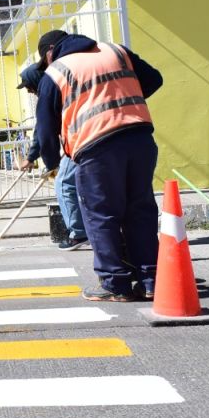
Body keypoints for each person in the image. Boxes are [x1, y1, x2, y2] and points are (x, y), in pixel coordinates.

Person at [34, 29, 163, 302]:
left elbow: (45, 129)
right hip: (140, 138)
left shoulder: (56, 72)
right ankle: (151, 280)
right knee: (140, 210)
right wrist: (121, 105)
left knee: (101, 215)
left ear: (49, 53)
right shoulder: (116, 51)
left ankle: (115, 283)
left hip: (97, 148)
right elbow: (154, 79)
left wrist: (51, 162)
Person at [16, 63, 87, 251]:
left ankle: (79, 233)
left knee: (63, 183)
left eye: (29, 86)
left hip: (81, 142)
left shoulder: (48, 93)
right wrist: (33, 157)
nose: (30, 91)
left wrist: (50, 163)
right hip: (88, 139)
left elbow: (43, 132)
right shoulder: (64, 87)